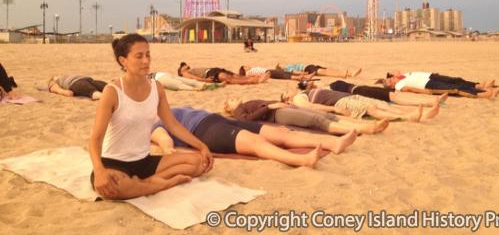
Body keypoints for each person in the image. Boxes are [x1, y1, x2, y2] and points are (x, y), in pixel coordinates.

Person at [89, 34, 213, 200]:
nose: (146, 61)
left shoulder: (157, 88)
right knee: (116, 188)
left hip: (144, 162)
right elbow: (95, 139)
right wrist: (99, 172)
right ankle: (165, 183)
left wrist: (202, 146)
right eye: (139, 56)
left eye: (148, 55)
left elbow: (173, 125)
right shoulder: (112, 92)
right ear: (123, 61)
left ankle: (148, 183)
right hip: (114, 163)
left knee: (198, 163)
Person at [151, 106, 358, 168]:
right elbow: (164, 140)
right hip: (205, 132)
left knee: (281, 133)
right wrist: (169, 151)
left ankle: (334, 143)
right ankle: (301, 160)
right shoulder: (153, 124)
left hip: (216, 119)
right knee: (256, 143)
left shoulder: (167, 109)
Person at [224, 97, 389, 135]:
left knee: (324, 114)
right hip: (277, 114)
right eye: (230, 101)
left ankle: (359, 126)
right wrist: (270, 106)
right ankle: (362, 128)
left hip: (283, 108)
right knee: (316, 120)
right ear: (229, 108)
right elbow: (246, 121)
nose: (233, 99)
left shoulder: (244, 104)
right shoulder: (238, 111)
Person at [282, 84, 440, 122]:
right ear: (287, 99)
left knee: (381, 104)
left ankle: (413, 114)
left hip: (346, 96)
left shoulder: (304, 92)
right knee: (371, 109)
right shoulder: (297, 99)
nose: (289, 90)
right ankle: (410, 118)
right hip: (340, 102)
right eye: (286, 93)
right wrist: (335, 110)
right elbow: (311, 107)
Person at [381, 71, 499, 98]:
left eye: (391, 78)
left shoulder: (403, 75)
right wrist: (426, 92)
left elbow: (396, 72)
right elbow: (410, 89)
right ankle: (483, 94)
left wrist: (394, 76)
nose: (392, 78)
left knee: (456, 80)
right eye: (390, 80)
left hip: (431, 76)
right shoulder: (398, 86)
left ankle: (478, 85)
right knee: (455, 89)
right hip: (428, 84)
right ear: (391, 86)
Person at [329, 80, 446, 106]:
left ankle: (432, 100)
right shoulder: (327, 88)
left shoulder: (328, 86)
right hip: (359, 91)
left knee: (395, 95)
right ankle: (431, 102)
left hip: (361, 88)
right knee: (394, 98)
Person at [178, 62, 269, 85]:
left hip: (212, 70)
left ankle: (256, 78)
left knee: (234, 76)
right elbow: (195, 78)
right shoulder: (184, 73)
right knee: (232, 78)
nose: (186, 65)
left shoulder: (188, 70)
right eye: (183, 65)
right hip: (210, 73)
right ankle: (255, 80)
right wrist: (206, 80)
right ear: (181, 70)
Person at [150, 71, 222, 92]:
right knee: (180, 85)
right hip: (161, 78)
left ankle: (215, 85)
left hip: (165, 74)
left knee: (190, 82)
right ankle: (195, 89)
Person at [276, 62, 362, 78]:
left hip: (310, 66)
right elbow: (296, 72)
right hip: (307, 69)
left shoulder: (288, 67)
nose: (281, 66)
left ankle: (350, 73)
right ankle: (345, 74)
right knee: (326, 72)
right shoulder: (288, 69)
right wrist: (304, 73)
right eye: (280, 67)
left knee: (328, 69)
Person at [238, 65, 315, 82]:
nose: (247, 66)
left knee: (285, 72)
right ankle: (305, 78)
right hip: (268, 73)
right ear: (244, 69)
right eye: (246, 66)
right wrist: (264, 76)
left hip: (268, 71)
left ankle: (305, 76)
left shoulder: (250, 70)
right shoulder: (248, 73)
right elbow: (256, 76)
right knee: (284, 75)